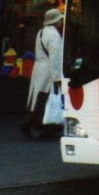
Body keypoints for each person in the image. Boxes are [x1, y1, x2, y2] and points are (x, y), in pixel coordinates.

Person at [20, 8, 64, 138]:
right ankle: (45, 127)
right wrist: (57, 77)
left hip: (38, 68)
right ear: (56, 21)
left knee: (40, 97)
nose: (61, 22)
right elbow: (55, 58)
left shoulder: (40, 32)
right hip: (48, 70)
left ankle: (33, 124)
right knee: (48, 98)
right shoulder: (55, 35)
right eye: (60, 20)